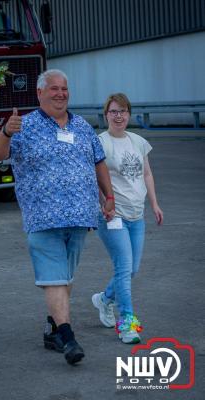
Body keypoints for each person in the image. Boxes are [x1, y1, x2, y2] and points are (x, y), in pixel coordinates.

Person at [0, 69, 115, 364]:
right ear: (40, 93)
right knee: (55, 278)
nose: (60, 93)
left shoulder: (82, 126)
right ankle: (68, 338)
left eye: (64, 89)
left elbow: (99, 163)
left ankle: (53, 328)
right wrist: (6, 131)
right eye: (54, 89)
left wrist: (108, 197)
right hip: (43, 217)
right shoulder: (24, 125)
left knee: (64, 277)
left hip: (81, 215)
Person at [91, 93, 163, 344]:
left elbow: (147, 174)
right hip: (113, 216)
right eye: (113, 111)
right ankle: (127, 324)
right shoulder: (100, 142)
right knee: (123, 268)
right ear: (106, 115)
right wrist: (104, 203)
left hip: (136, 216)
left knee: (132, 269)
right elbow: (95, 178)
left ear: (129, 114)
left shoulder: (138, 141)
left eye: (123, 111)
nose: (118, 116)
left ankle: (104, 299)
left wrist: (154, 203)